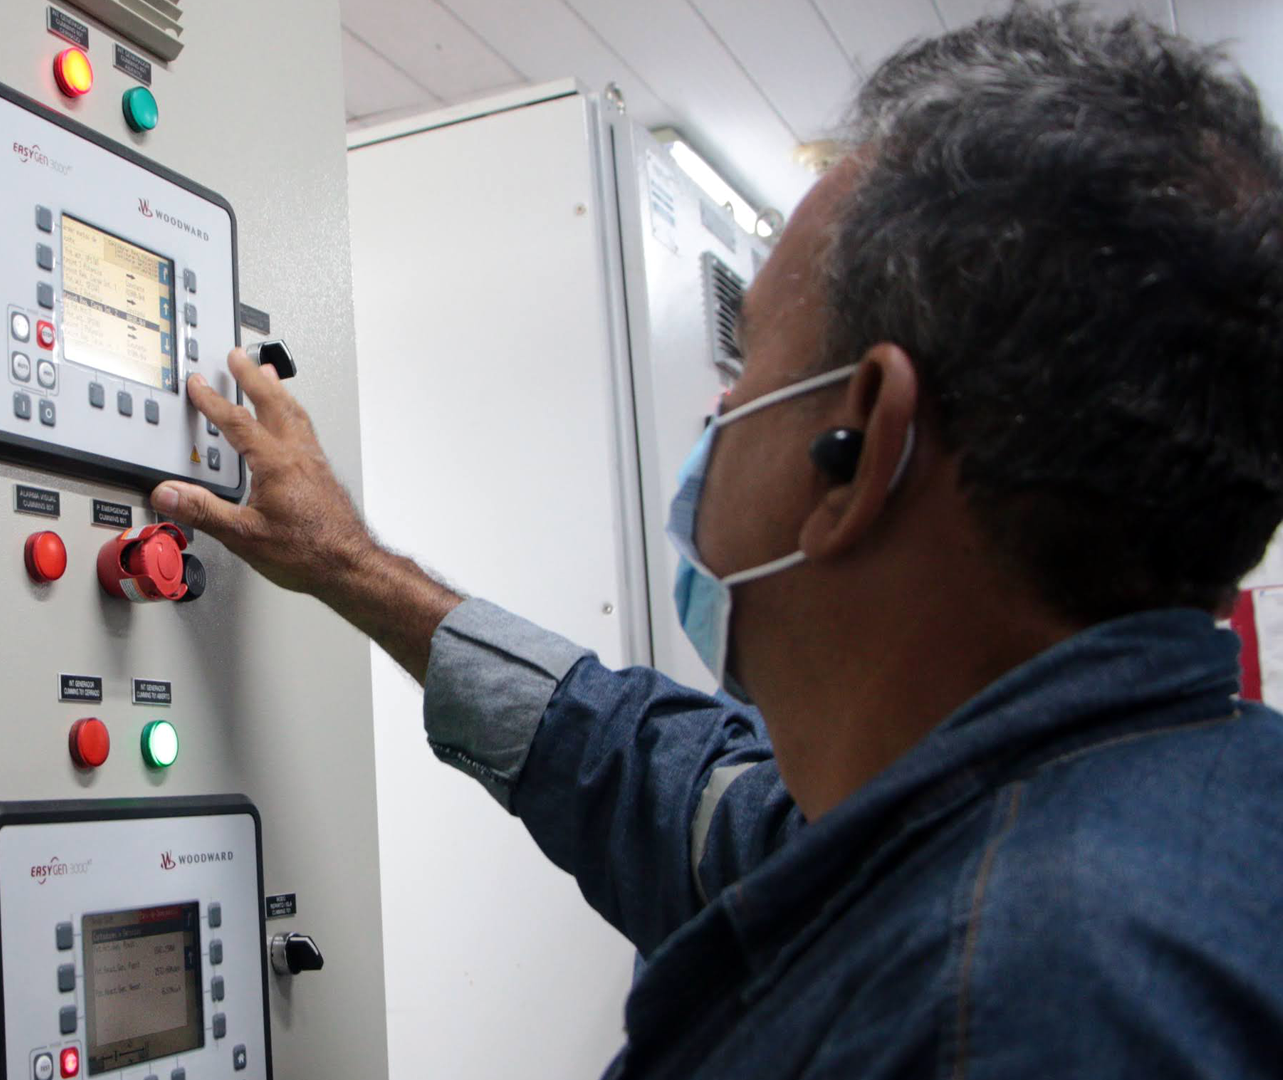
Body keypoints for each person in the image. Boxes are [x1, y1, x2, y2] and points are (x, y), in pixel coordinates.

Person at [156, 4, 1283, 1077]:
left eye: (749, 375)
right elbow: (642, 774)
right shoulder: (1108, 811)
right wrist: (351, 566)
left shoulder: (1017, 1006)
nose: (717, 416)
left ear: (859, 444)